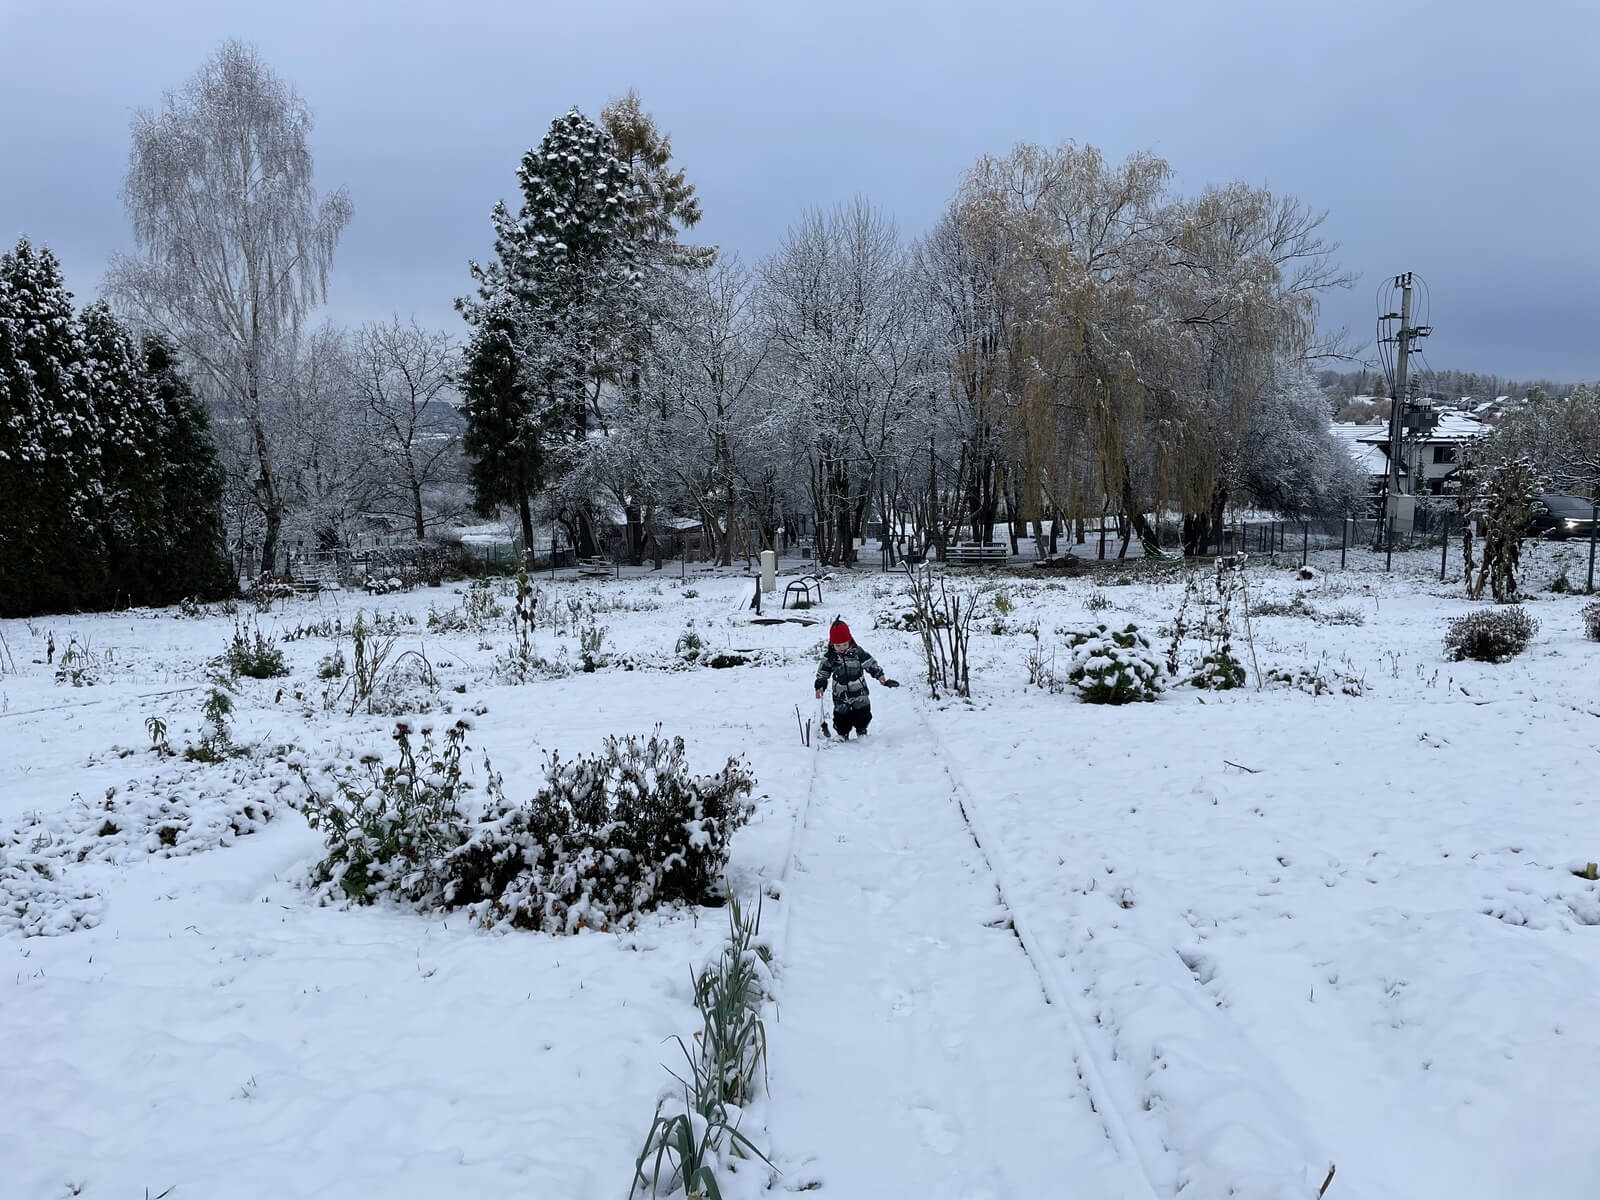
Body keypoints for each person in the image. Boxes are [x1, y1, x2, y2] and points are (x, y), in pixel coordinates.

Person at [814, 619, 896, 738]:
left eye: (844, 644)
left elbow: (870, 663)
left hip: (860, 693)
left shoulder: (857, 652)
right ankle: (843, 735)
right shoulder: (830, 658)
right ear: (832, 643)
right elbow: (823, 673)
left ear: (850, 640)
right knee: (841, 718)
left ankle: (861, 731)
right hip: (840, 695)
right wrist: (820, 686)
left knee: (863, 714)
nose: (842, 648)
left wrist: (879, 675)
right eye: (838, 645)